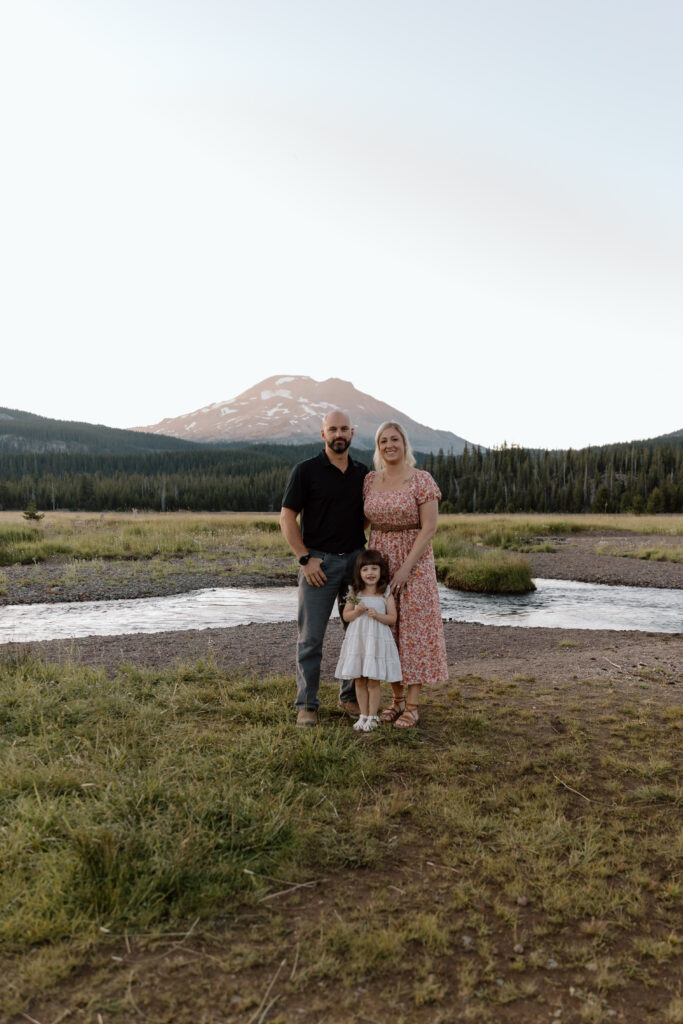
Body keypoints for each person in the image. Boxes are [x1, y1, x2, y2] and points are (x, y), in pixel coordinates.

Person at [280, 410, 368, 727]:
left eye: (344, 428)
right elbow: (287, 517)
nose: (338, 434)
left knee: (356, 632)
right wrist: (305, 558)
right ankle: (307, 704)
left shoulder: (363, 473)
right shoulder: (306, 471)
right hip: (319, 564)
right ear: (323, 434)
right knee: (310, 639)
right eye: (333, 429)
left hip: (355, 565)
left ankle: (350, 697)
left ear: (352, 433)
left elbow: (367, 515)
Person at [363, 421, 448, 728]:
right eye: (383, 440)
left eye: (395, 439)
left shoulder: (421, 480)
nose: (389, 445)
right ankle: (396, 700)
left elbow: (429, 528)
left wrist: (406, 568)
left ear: (404, 443)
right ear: (378, 446)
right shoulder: (370, 480)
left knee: (414, 630)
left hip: (415, 561)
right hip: (380, 560)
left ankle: (412, 704)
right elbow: (362, 522)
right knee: (388, 630)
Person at [335, 550, 402, 733]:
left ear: (381, 571)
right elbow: (346, 616)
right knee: (359, 680)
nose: (370, 573)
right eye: (365, 569)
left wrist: (377, 615)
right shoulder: (354, 592)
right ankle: (363, 715)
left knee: (373, 681)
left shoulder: (385, 593)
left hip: (376, 642)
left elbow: (392, 619)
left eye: (374, 568)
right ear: (359, 572)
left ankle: (373, 716)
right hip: (359, 642)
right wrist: (357, 611)